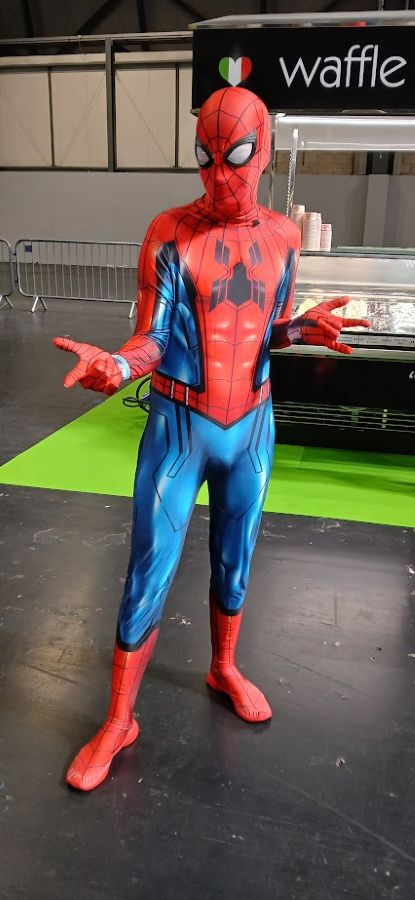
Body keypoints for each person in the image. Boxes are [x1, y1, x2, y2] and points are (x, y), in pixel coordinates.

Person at [54, 87, 369, 791]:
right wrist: (117, 366)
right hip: (179, 426)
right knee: (149, 568)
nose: (220, 176)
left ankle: (223, 666)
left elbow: (267, 329)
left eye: (236, 158)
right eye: (206, 159)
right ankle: (119, 719)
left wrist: (300, 328)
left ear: (264, 154)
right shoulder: (169, 232)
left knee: (236, 558)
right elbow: (154, 336)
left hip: (251, 426)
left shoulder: (284, 236)